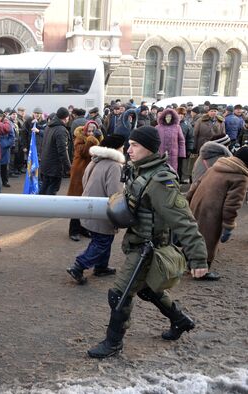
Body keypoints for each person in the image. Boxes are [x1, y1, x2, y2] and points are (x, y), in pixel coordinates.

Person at [87, 126, 208, 359]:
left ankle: (113, 344)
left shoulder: (160, 180)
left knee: (119, 294)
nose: (128, 149)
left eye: (135, 145)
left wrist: (198, 257)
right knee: (148, 290)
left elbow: (184, 221)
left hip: (148, 248)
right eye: (129, 144)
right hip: (138, 242)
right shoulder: (138, 169)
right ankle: (180, 320)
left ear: (150, 149)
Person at [67, 135, 125, 284]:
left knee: (103, 239)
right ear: (117, 148)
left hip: (89, 207)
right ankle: (79, 266)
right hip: (103, 211)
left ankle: (101, 267)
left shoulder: (95, 160)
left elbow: (84, 181)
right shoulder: (114, 166)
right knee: (102, 241)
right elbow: (115, 193)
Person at [186, 147, 248, 281]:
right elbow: (232, 205)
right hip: (212, 213)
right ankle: (201, 270)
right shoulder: (240, 176)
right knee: (208, 241)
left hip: (196, 205)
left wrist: (188, 201)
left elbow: (195, 184)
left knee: (193, 234)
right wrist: (228, 225)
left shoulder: (216, 166)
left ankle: (188, 260)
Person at [67, 121, 103, 241]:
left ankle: (84, 228)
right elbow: (84, 152)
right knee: (77, 203)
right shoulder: (79, 139)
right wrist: (93, 139)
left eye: (93, 131)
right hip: (79, 174)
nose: (91, 133)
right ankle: (74, 230)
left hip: (91, 174)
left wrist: (99, 138)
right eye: (89, 131)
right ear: (85, 130)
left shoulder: (94, 140)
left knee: (88, 202)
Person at [39, 107, 71, 195]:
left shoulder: (49, 127)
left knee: (44, 187)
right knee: (52, 189)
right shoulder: (61, 130)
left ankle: (37, 207)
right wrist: (68, 168)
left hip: (45, 164)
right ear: (65, 118)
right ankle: (48, 208)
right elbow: (63, 151)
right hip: (54, 166)